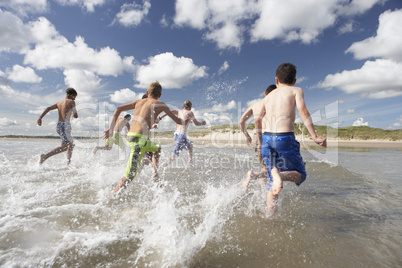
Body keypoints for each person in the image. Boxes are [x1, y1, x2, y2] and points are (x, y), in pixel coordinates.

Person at [255, 63, 326, 216]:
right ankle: (280, 175)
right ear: (294, 81)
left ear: (276, 80)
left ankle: (270, 218)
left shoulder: (267, 98)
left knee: (271, 181)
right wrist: (314, 136)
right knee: (301, 174)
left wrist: (260, 142)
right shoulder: (296, 90)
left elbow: (257, 120)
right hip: (284, 138)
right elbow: (303, 111)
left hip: (267, 139)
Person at [103, 81, 185, 193]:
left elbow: (118, 109)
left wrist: (111, 129)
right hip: (138, 141)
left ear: (147, 92)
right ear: (160, 95)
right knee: (129, 177)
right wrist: (183, 119)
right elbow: (178, 121)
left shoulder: (138, 102)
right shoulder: (161, 104)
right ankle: (112, 196)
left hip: (133, 137)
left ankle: (155, 174)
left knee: (157, 148)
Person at [240, 84, 276, 189]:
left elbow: (241, 121)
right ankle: (253, 176)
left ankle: (263, 191)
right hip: (269, 137)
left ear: (265, 94)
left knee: (264, 166)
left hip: (256, 137)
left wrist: (247, 136)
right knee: (272, 169)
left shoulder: (255, 105)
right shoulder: (276, 106)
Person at [37, 87, 78, 165]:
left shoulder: (59, 103)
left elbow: (48, 108)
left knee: (71, 144)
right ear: (72, 95)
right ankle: (45, 156)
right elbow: (76, 115)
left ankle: (68, 162)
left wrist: (40, 118)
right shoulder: (71, 102)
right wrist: (73, 114)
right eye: (75, 97)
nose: (75, 99)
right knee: (65, 147)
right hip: (65, 125)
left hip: (59, 124)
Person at [159, 100, 206, 168]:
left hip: (176, 134)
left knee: (190, 146)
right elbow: (196, 123)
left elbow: (168, 112)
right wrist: (202, 123)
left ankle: (190, 164)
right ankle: (162, 166)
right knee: (175, 154)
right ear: (190, 107)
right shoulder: (190, 112)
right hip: (182, 135)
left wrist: (160, 118)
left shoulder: (178, 111)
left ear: (183, 106)